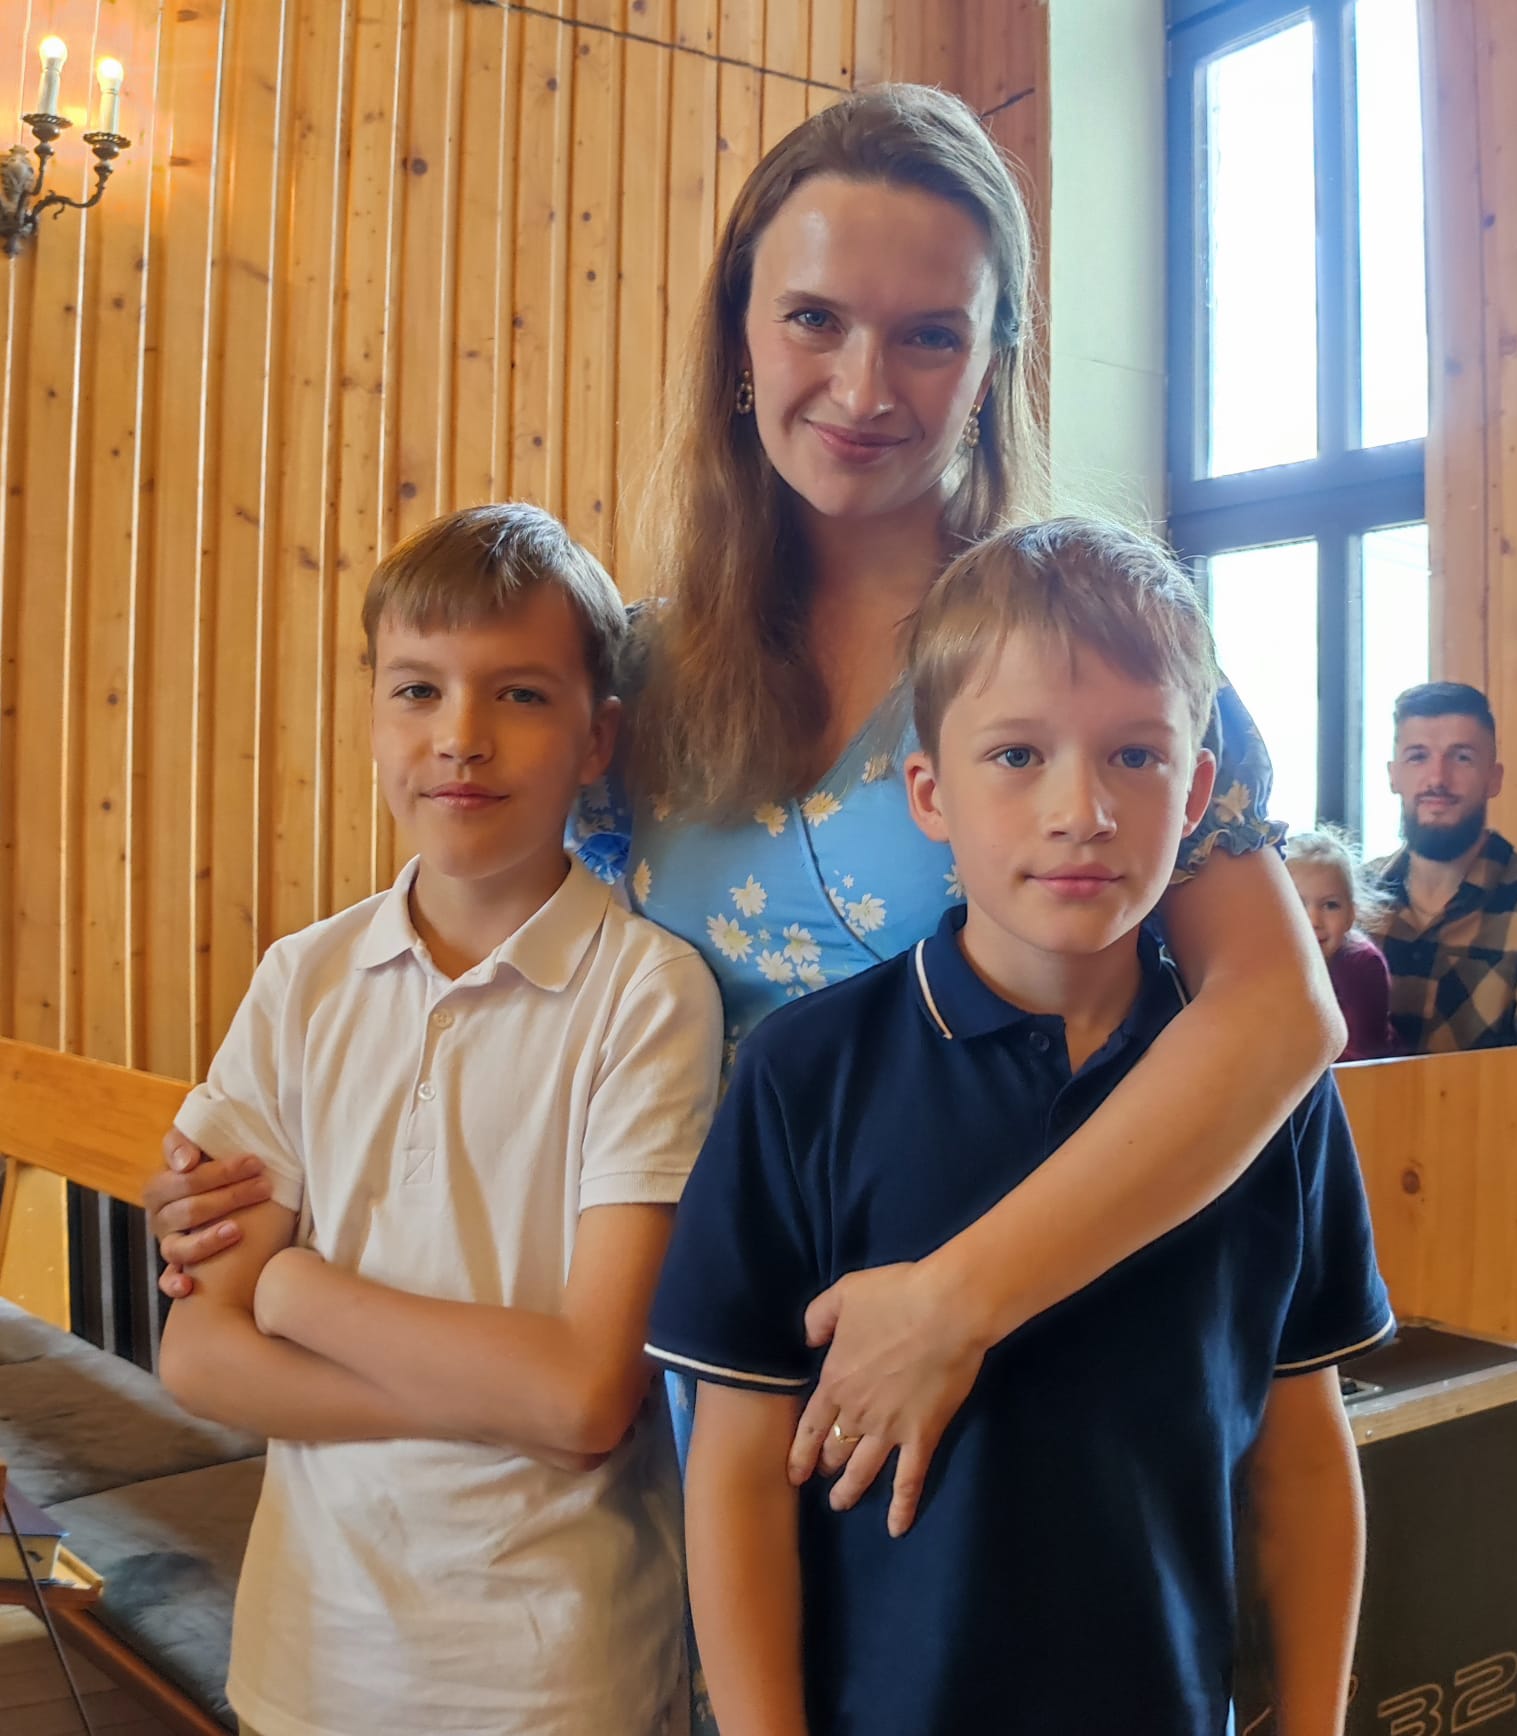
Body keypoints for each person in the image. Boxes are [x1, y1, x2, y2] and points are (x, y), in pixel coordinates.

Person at [144, 84, 1341, 1721]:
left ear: (996, 360)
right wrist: (258, 1175)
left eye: (931, 334)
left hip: (1040, 1379)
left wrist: (955, 1301)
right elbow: (484, 969)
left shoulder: (1087, 666)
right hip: (716, 1413)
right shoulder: (636, 685)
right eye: (815, 319)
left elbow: (1278, 1016)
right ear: (736, 338)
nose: (865, 385)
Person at [650, 519, 1393, 1736]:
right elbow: (734, 1467)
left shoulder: (1271, 1101)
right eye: (1015, 754)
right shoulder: (803, 1076)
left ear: (1196, 791)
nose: (1080, 809)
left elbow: (1301, 1446)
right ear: (928, 793)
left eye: (1135, 755)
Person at [156, 505, 723, 1736]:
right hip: (312, 1658)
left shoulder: (647, 993)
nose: (460, 737)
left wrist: (296, 1289)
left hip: (553, 1674)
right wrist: (493, 1395)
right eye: (417, 689)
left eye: (518, 694)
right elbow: (197, 1354)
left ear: (596, 737)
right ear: (372, 716)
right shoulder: (302, 979)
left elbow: (585, 1397)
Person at [1368, 682, 1517, 1144]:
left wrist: (1421, 1127)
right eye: (1418, 756)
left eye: (1462, 757)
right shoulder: (1350, 901)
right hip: (1351, 1155)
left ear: (1494, 778)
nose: (1437, 778)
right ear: (1393, 775)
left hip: (1479, 1161)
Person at [1286, 827, 1395, 1061]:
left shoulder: (1363, 964)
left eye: (1331, 905)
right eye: (1297, 904)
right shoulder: (1266, 963)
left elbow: (1360, 1054)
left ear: (1350, 916)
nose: (1313, 921)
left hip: (1366, 1074)